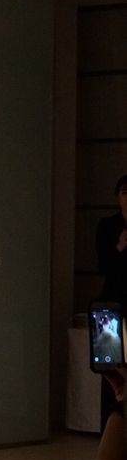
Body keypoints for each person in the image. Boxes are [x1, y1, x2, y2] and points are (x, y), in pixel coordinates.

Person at [96, 174, 127, 430]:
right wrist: (119, 246)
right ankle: (111, 425)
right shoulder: (108, 226)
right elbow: (103, 265)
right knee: (110, 364)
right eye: (125, 193)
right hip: (113, 303)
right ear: (118, 197)